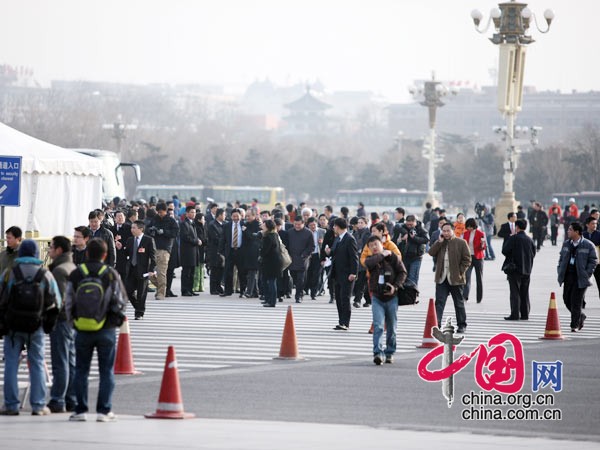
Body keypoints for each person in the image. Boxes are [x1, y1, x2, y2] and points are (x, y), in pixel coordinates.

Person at [65, 238, 127, 422]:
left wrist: (73, 322)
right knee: (106, 371)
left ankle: (80, 410)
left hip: (82, 328)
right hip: (106, 329)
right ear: (105, 255)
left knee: (81, 370)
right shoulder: (110, 274)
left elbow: (68, 302)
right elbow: (122, 300)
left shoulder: (77, 274)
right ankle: (104, 411)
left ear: (86, 253)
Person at [0, 239, 61, 416]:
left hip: (13, 325)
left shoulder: (10, 272)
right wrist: (48, 323)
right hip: (36, 325)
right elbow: (56, 301)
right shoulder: (45, 274)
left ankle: (11, 404)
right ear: (36, 254)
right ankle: (38, 405)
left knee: (11, 363)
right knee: (36, 363)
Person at [363, 236, 407, 365]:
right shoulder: (371, 259)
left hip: (392, 297)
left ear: (382, 244)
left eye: (376, 244)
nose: (374, 247)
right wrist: (382, 255)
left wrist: (395, 287)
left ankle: (390, 352)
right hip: (377, 297)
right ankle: (378, 353)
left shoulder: (393, 257)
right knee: (378, 325)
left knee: (392, 327)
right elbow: (368, 264)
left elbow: (402, 272)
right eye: (371, 246)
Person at [47, 236, 77, 413]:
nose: (49, 250)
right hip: (71, 319)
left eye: (51, 247)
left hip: (62, 320)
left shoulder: (59, 271)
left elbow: (59, 300)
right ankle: (71, 398)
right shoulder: (71, 266)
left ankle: (58, 399)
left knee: (61, 361)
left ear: (59, 250)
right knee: (70, 360)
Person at [428, 223, 471, 334]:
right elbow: (431, 252)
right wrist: (439, 242)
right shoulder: (440, 243)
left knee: (459, 303)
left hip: (456, 279)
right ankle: (436, 324)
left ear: (453, 230)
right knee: (439, 302)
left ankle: (461, 325)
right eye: (444, 231)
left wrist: (460, 272)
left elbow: (467, 260)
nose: (446, 233)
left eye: (448, 231)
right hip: (442, 278)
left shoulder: (461, 243)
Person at [557, 221, 597, 332]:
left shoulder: (588, 245)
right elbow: (561, 259)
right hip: (568, 276)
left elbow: (593, 260)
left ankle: (574, 325)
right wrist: (559, 269)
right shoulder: (566, 244)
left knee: (576, 301)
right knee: (566, 299)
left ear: (577, 232)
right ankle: (581, 315)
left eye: (570, 229)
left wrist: (587, 273)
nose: (568, 231)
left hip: (581, 277)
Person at [501, 219, 536, 321]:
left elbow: (505, 250)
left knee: (515, 292)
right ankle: (525, 314)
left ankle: (515, 314)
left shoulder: (514, 238)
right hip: (527, 269)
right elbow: (533, 254)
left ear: (517, 227)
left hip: (514, 269)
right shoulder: (530, 240)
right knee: (525, 292)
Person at [327, 218, 358, 330]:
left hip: (347, 274)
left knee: (345, 298)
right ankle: (341, 321)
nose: (333, 228)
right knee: (339, 299)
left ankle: (346, 322)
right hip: (337, 273)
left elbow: (354, 258)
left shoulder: (350, 239)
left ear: (338, 226)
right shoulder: (338, 239)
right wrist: (329, 252)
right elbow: (335, 252)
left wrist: (353, 273)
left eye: (334, 226)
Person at [125, 221, 157, 319]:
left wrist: (151, 270)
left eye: (134, 228)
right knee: (128, 291)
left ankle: (139, 313)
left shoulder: (148, 240)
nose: (132, 230)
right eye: (131, 228)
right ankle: (138, 307)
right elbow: (127, 254)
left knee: (141, 294)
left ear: (141, 229)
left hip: (143, 271)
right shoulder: (130, 240)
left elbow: (153, 257)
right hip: (131, 270)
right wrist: (121, 248)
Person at [147, 202, 179, 300]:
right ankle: (162, 287)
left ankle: (161, 293)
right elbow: (147, 229)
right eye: (158, 212)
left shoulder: (171, 221)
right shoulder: (154, 219)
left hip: (164, 249)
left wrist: (164, 232)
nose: (159, 214)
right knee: (149, 272)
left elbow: (175, 233)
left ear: (165, 211)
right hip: (153, 248)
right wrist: (151, 230)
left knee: (161, 272)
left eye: (161, 212)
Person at [219, 208, 247, 297]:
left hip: (241, 252)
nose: (235, 218)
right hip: (230, 251)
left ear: (240, 216)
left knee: (242, 272)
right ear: (231, 217)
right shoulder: (227, 226)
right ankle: (228, 291)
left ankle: (243, 291)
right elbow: (223, 239)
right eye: (234, 216)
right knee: (228, 272)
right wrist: (221, 251)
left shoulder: (244, 225)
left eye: (237, 216)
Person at [286, 216, 314, 303]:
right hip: (292, 259)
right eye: (295, 224)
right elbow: (286, 245)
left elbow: (311, 247)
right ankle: (299, 291)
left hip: (303, 259)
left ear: (303, 224)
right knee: (294, 277)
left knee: (300, 279)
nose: (297, 226)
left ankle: (298, 295)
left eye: (299, 224)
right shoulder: (289, 232)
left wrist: (304, 255)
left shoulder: (308, 233)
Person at [395, 215, 429, 286]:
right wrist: (405, 233)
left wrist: (414, 238)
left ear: (415, 222)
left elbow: (426, 239)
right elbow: (396, 227)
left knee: (412, 278)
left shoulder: (420, 229)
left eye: (411, 224)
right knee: (404, 277)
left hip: (416, 257)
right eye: (408, 224)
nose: (409, 226)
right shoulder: (403, 227)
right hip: (404, 256)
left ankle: (412, 294)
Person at [462, 218, 486, 303]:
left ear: (474, 226)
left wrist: (482, 244)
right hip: (468, 257)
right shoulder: (465, 234)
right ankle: (465, 296)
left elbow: (484, 247)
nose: (469, 228)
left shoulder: (480, 233)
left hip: (478, 257)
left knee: (479, 278)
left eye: (470, 227)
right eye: (467, 227)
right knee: (467, 277)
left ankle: (479, 298)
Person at [180, 206, 201, 297]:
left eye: (195, 212)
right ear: (187, 213)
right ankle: (185, 290)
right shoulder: (184, 224)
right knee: (186, 272)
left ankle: (190, 289)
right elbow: (185, 237)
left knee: (192, 272)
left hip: (193, 251)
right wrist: (196, 241)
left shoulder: (193, 223)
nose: (194, 214)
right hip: (187, 252)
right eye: (192, 212)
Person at [259, 220, 281, 307]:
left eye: (263, 225)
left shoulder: (268, 237)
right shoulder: (274, 235)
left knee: (271, 282)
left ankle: (272, 301)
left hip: (270, 263)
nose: (262, 227)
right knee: (265, 280)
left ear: (267, 227)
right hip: (272, 262)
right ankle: (268, 299)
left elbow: (265, 251)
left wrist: (260, 251)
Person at [207, 208, 225, 295]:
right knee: (214, 270)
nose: (225, 216)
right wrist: (224, 241)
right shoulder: (212, 225)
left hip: (222, 251)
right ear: (220, 215)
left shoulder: (224, 224)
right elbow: (214, 238)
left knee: (220, 270)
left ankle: (218, 286)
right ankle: (213, 288)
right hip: (214, 251)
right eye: (224, 215)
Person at [583, 216, 600, 303]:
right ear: (587, 225)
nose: (595, 225)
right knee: (583, 283)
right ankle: (581, 301)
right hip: (585, 264)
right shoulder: (583, 235)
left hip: (597, 263)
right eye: (592, 224)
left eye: (596, 223)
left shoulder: (599, 234)